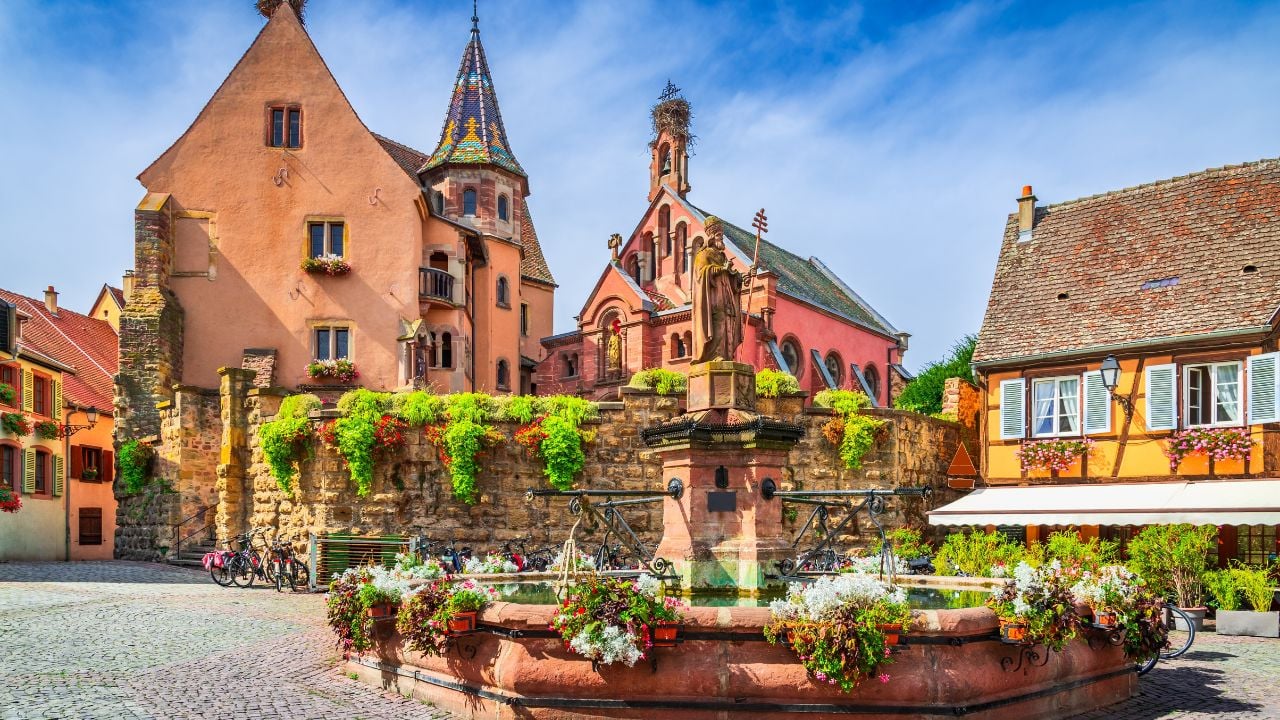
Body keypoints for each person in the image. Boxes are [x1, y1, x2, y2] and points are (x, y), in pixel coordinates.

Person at [690, 216, 745, 363]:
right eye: (720, 235)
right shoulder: (704, 254)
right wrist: (721, 269)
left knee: (728, 324)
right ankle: (714, 356)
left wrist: (741, 277)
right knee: (718, 323)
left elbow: (731, 277)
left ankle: (727, 356)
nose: (722, 239)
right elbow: (701, 273)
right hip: (713, 298)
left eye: (722, 235)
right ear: (712, 237)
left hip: (727, 296)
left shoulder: (722, 256)